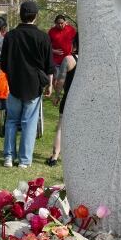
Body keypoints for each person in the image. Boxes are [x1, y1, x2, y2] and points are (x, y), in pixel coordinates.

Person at [0, 1, 54, 168]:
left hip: (14, 83)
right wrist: (50, 84)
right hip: (34, 84)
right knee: (28, 122)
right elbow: (49, 65)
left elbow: (3, 64)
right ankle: (24, 160)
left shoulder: (10, 36)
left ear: (20, 15)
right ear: (35, 16)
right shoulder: (43, 37)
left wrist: (11, 76)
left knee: (11, 121)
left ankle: (9, 157)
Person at [47, 34, 78, 167]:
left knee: (61, 127)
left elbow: (60, 81)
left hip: (69, 98)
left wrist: (57, 96)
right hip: (86, 100)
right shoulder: (92, 60)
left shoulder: (69, 60)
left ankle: (55, 156)